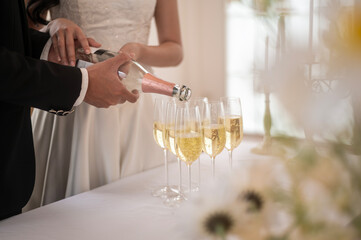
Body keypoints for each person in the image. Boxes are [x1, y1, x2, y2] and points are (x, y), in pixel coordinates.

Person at [25, 0, 183, 209]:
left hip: (136, 100)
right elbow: (19, 38)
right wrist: (52, 26)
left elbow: (175, 49)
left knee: (142, 209)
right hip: (73, 99)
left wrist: (138, 51)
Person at [0, 0, 139, 220]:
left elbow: (9, 36)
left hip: (10, 166)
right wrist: (82, 83)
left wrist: (55, 47)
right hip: (69, 115)